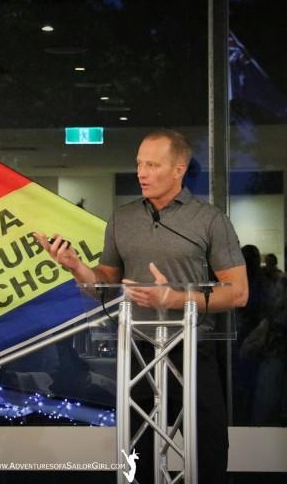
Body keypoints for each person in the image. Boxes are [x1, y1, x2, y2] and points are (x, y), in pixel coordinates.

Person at [35, 129, 248, 484]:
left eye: (152, 165)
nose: (141, 173)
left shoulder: (210, 220)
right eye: (139, 164)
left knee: (207, 454)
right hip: (138, 349)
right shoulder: (123, 219)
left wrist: (176, 300)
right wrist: (75, 266)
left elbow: (238, 292)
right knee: (137, 458)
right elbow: (106, 284)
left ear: (179, 169)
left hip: (192, 351)